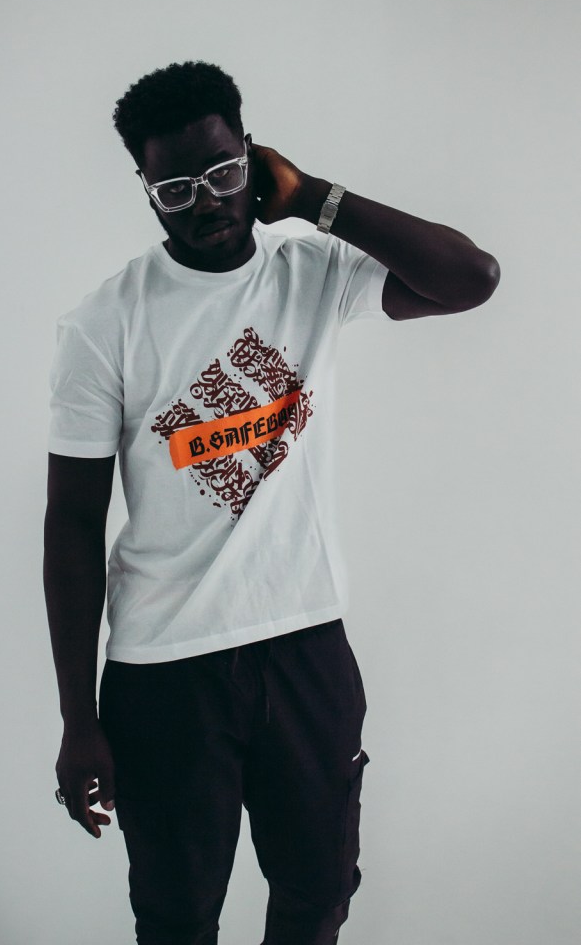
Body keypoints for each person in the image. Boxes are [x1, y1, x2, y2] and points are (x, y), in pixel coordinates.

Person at [43, 60, 500, 945]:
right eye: (175, 189)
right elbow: (71, 528)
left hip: (304, 646)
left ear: (253, 157)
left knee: (318, 895)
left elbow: (470, 279)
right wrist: (77, 720)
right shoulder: (104, 326)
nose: (207, 202)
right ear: (145, 189)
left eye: (223, 172)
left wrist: (317, 199)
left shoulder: (311, 273)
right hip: (165, 671)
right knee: (176, 918)